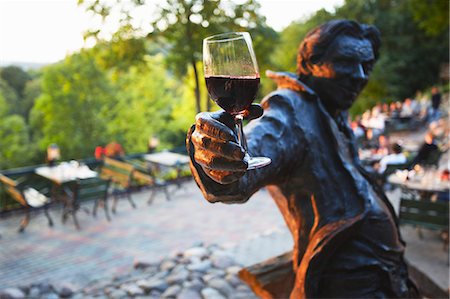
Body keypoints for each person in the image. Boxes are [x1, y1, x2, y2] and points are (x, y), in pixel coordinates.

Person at [187, 20, 417, 298]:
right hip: (344, 285)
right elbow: (240, 172)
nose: (359, 76)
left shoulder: (332, 106)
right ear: (310, 66)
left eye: (366, 66)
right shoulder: (290, 110)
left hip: (383, 275)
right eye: (346, 62)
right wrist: (214, 153)